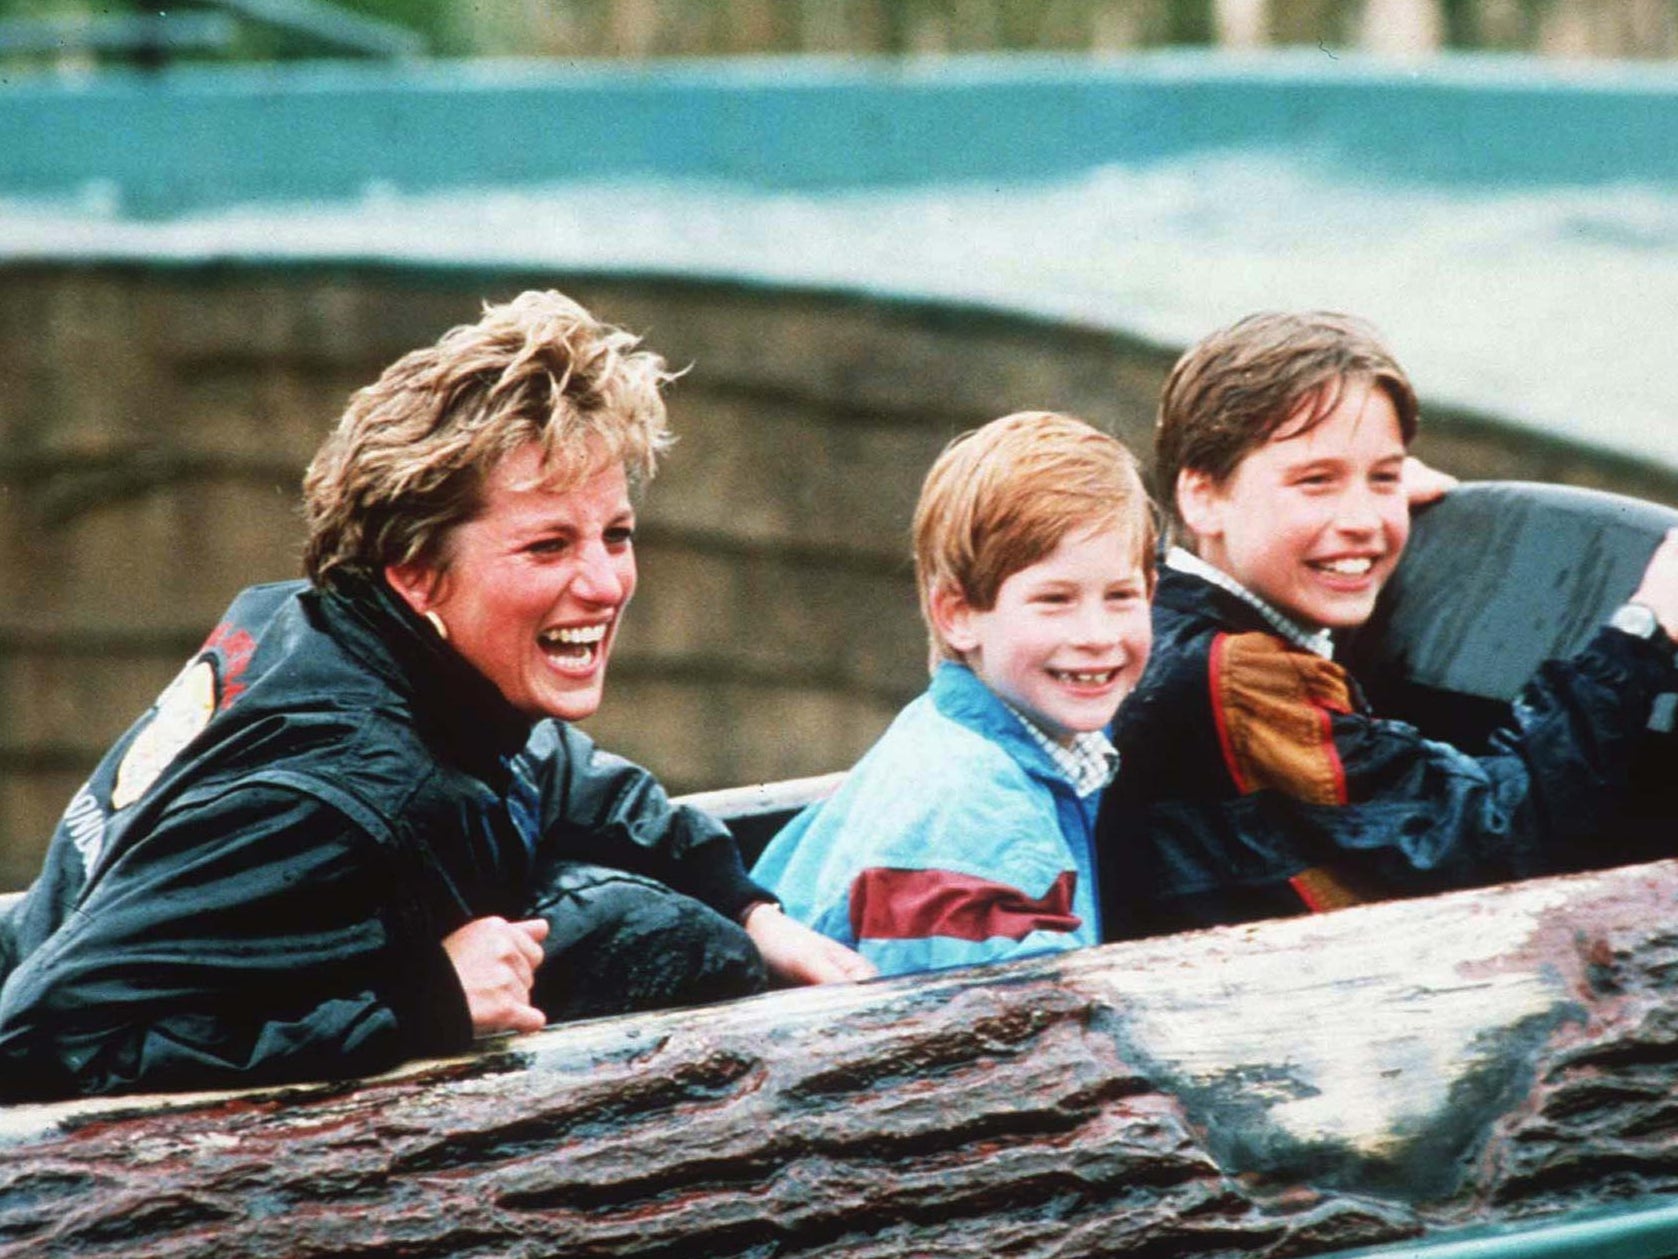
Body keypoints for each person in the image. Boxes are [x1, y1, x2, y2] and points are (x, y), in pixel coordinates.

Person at [0, 290, 871, 1101]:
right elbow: (40, 1038)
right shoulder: (342, 797)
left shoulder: (330, 633)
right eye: (546, 547)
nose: (605, 583)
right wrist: (421, 1006)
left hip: (64, 945)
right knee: (666, 943)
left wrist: (750, 906)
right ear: (417, 573)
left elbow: (548, 768)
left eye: (616, 534)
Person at [1097, 310, 1678, 939]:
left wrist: (1344, 494)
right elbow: (1493, 837)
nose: (1364, 519)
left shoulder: (1153, 611)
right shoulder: (1238, 673)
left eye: (1385, 477)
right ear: (1203, 496)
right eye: (1315, 481)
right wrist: (1641, 632)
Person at [752, 412, 1155, 975]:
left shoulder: (963, 736)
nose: (1096, 636)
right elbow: (1016, 1039)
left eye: (1121, 596)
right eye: (1054, 600)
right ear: (959, 614)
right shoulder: (972, 822)